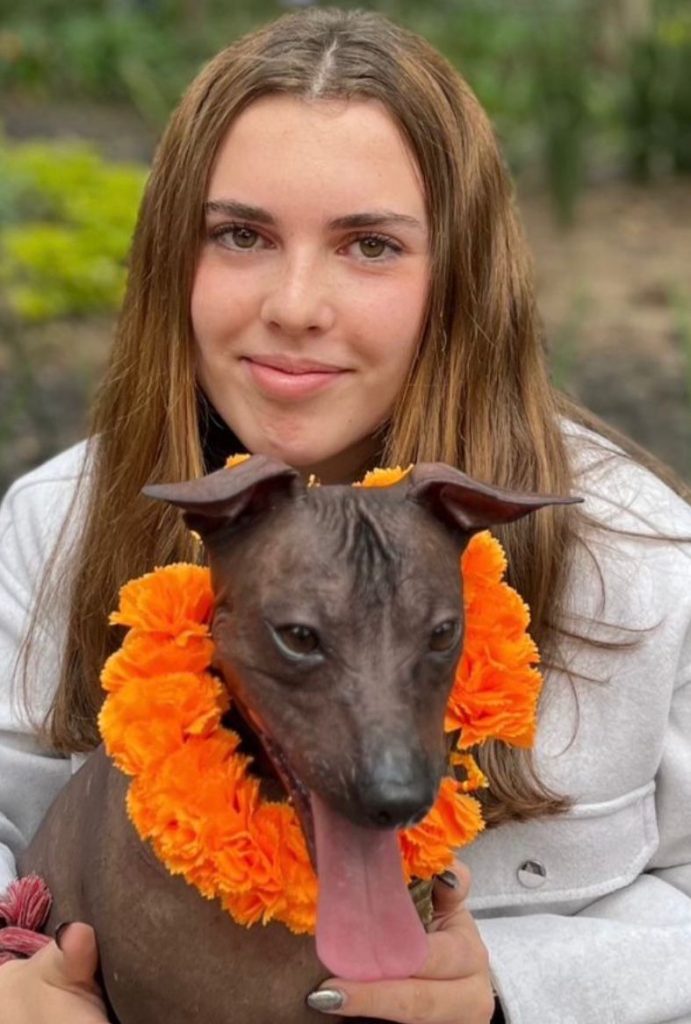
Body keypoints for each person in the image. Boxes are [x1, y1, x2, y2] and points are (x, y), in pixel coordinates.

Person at [1, 7, 690, 1023]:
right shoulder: (55, 521)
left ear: (460, 277)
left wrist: (510, 985)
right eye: (240, 235)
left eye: (369, 245)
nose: (295, 304)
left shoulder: (634, 556)